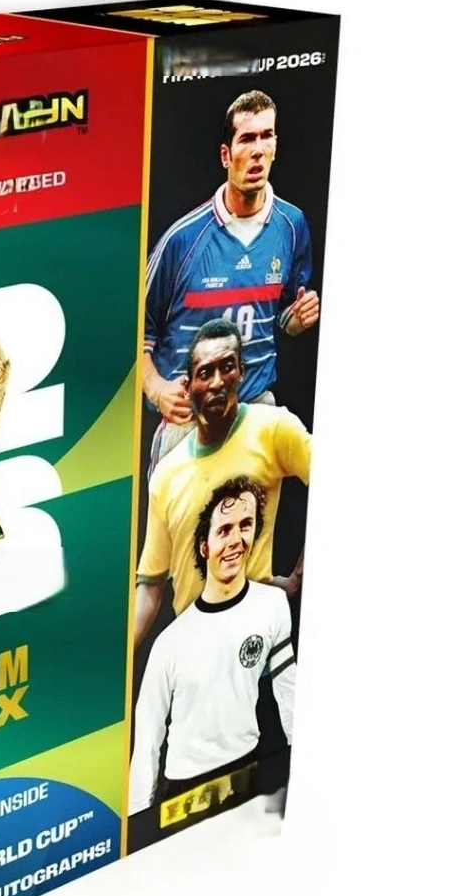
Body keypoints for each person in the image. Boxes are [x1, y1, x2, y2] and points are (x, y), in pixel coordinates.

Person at [142, 89, 319, 476]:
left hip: (256, 410)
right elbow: (136, 331)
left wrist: (298, 318)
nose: (258, 150)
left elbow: (283, 316)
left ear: (276, 145)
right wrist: (156, 389)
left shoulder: (292, 226)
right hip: (190, 420)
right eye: (247, 139)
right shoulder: (182, 240)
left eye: (266, 136)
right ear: (226, 155)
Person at [134, 318, 310, 647]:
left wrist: (298, 576)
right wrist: (116, 660)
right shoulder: (167, 475)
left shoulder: (273, 428)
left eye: (227, 367)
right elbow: (151, 587)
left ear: (241, 372)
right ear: (187, 385)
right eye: (205, 372)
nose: (217, 382)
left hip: (253, 645)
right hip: (192, 651)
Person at [128, 476, 295, 817]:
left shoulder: (272, 605)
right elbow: (147, 742)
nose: (235, 540)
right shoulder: (169, 644)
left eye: (245, 525)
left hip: (249, 772)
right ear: (204, 547)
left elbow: (289, 694)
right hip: (185, 792)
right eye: (224, 530)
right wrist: (139, 820)